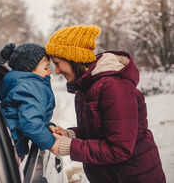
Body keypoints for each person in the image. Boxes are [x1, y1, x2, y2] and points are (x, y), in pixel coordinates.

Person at [46, 25, 166, 183]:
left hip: (133, 177)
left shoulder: (114, 87)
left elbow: (119, 148)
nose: (57, 71)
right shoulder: (86, 87)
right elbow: (100, 131)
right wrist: (70, 135)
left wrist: (70, 146)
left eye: (57, 63)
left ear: (73, 59)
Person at [0, 43, 57, 159]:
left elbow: (25, 113)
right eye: (46, 68)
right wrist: (52, 143)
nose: (50, 72)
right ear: (29, 69)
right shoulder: (31, 86)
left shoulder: (20, 83)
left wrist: (47, 124)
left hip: (10, 141)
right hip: (14, 146)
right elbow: (31, 123)